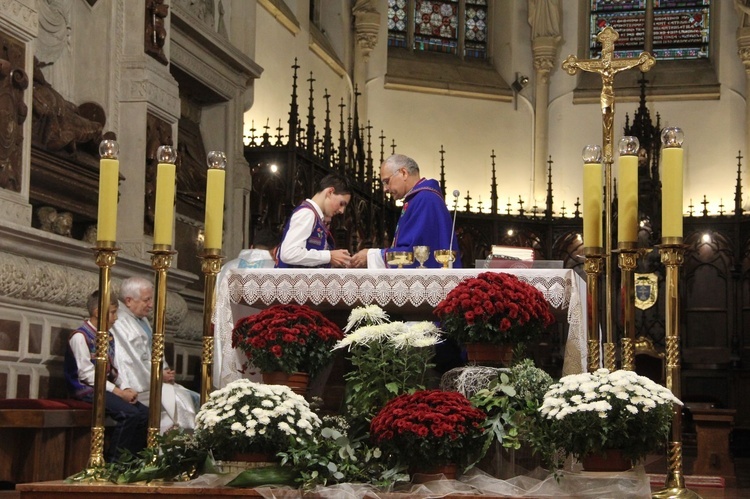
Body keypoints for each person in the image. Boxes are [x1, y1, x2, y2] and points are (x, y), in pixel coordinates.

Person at [64, 290, 148, 461]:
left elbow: (114, 369)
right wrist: (118, 392)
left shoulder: (108, 337)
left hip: (106, 388)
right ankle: (115, 463)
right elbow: (86, 374)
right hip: (85, 390)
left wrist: (125, 388)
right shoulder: (80, 337)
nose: (115, 318)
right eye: (113, 312)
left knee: (145, 414)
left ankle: (133, 460)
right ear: (97, 312)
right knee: (129, 414)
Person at [111, 276, 199, 433]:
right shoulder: (120, 322)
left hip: (153, 381)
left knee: (193, 397)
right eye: (147, 300)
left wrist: (164, 372)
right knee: (179, 401)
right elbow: (129, 361)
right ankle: (166, 452)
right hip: (138, 387)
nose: (151, 305)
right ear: (129, 300)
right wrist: (158, 376)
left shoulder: (141, 320)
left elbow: (152, 352)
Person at [350, 154, 461, 269]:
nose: (385, 189)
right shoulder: (418, 199)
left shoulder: (425, 200)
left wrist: (372, 256)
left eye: (387, 181)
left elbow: (414, 254)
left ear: (403, 173)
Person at [275, 173, 352, 268]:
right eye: (342, 203)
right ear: (330, 192)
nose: (342, 211)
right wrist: (329, 256)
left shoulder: (316, 216)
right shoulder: (307, 213)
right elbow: (289, 253)